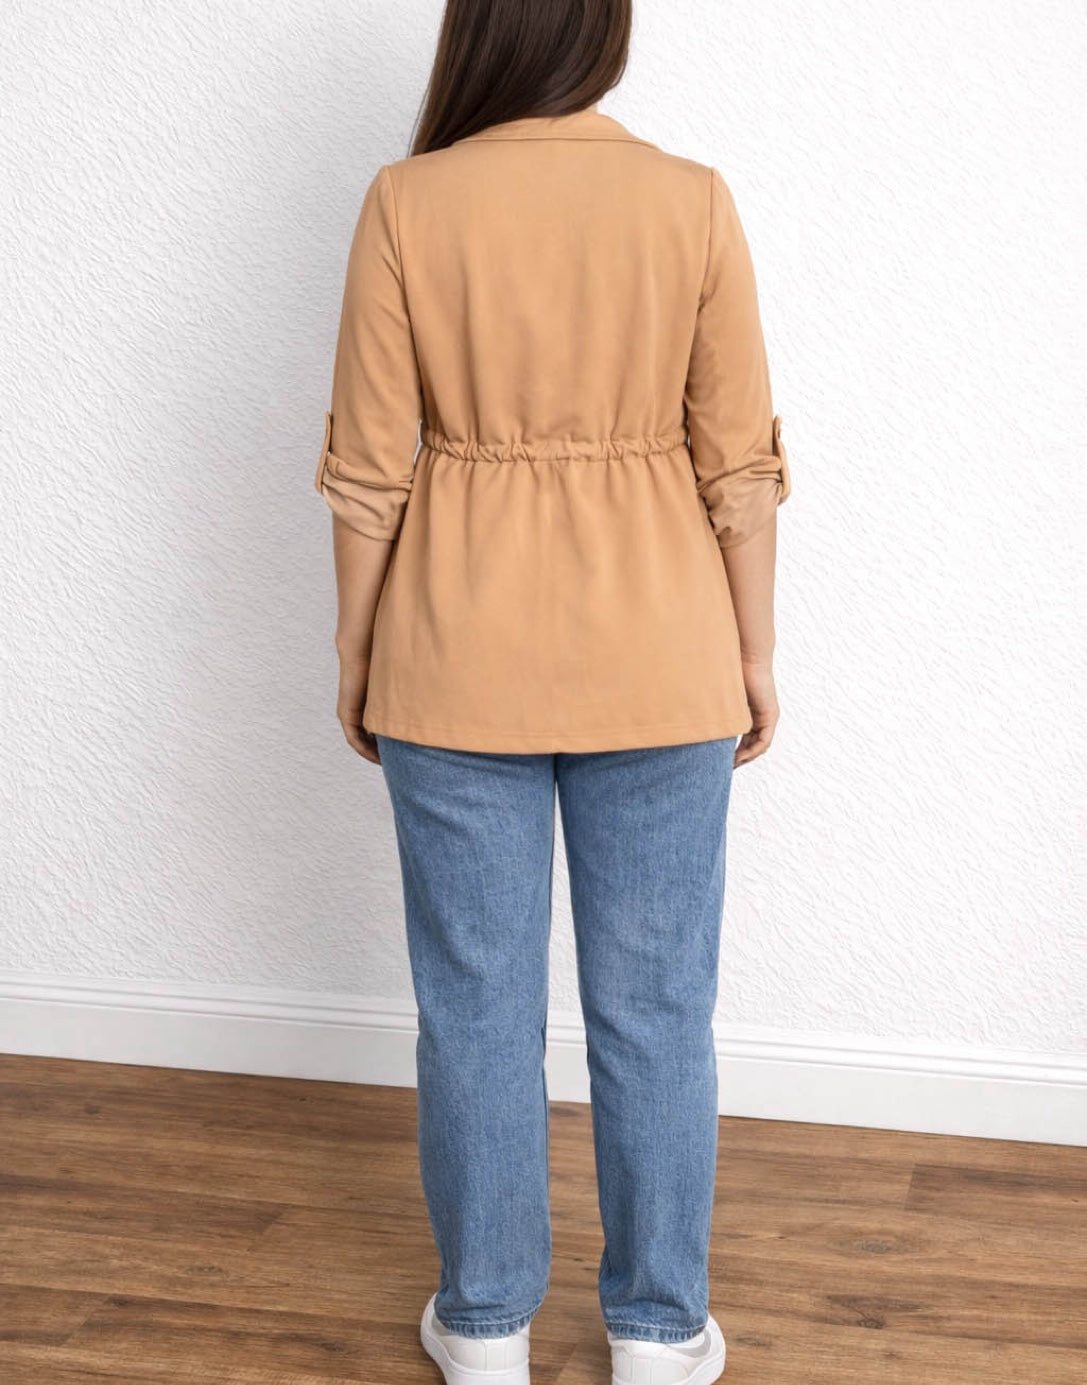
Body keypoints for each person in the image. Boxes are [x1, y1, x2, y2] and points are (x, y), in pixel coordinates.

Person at [314, 2, 791, 1381]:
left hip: (453, 657)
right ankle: (654, 1332)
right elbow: (741, 470)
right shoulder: (690, 206)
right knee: (655, 1007)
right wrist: (753, 655)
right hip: (665, 657)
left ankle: (482, 1330)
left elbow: (366, 470)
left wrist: (357, 652)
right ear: (605, 31)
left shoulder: (408, 205)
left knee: (471, 1005)